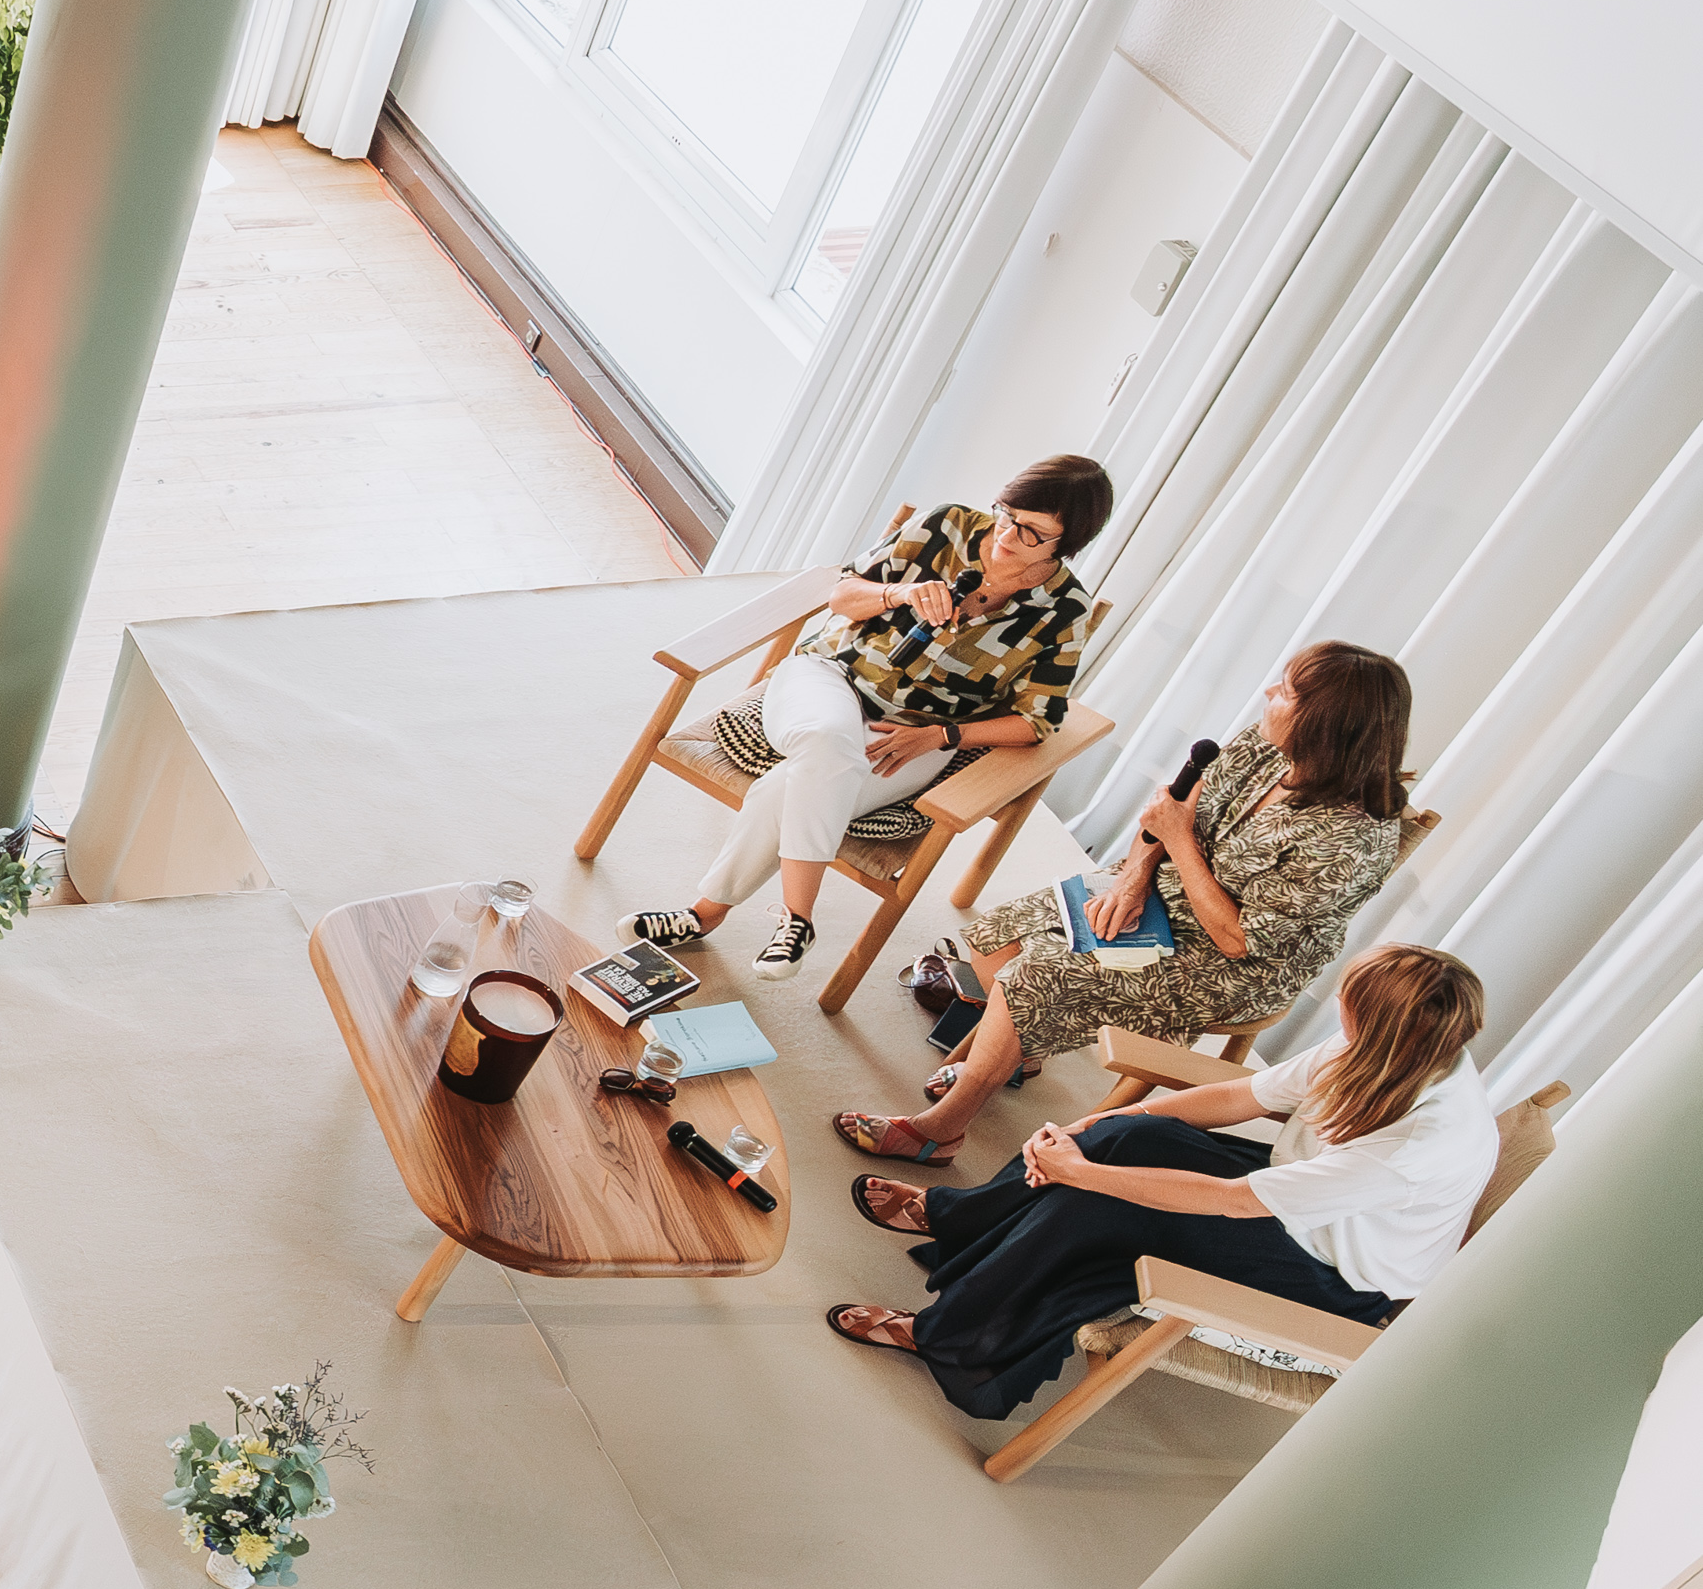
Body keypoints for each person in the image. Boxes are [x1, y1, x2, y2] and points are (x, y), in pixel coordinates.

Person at [835, 941, 1499, 1421]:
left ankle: (949, 1336)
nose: (1339, 1021)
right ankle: (960, 1218)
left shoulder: (1419, 1140)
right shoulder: (1381, 1051)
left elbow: (1234, 1201)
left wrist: (1084, 1173)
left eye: (1352, 1013)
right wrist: (1099, 1126)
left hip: (1334, 1276)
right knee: (1127, 1137)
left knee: (1102, 1206)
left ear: (1382, 1034)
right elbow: (1240, 1097)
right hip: (1300, 1198)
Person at [844, 640, 1425, 1164]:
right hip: (1168, 887)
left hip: (1232, 962)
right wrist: (1133, 879)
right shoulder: (1267, 746)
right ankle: (1020, 1052)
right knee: (992, 939)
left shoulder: (1352, 839)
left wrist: (1174, 840)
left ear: (1325, 725)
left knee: (1034, 975)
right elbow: (1173, 806)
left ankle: (941, 1132)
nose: (1270, 691)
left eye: (1288, 692)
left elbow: (1237, 937)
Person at [632, 456, 1117, 977]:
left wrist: (940, 736)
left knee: (789, 786)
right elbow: (841, 595)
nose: (1008, 533)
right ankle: (798, 918)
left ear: (1068, 542)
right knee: (825, 739)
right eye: (1006, 512)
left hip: (914, 734)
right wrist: (899, 593)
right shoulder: (945, 525)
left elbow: (1038, 721)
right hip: (828, 678)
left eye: (1032, 532)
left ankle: (703, 916)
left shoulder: (1063, 611)